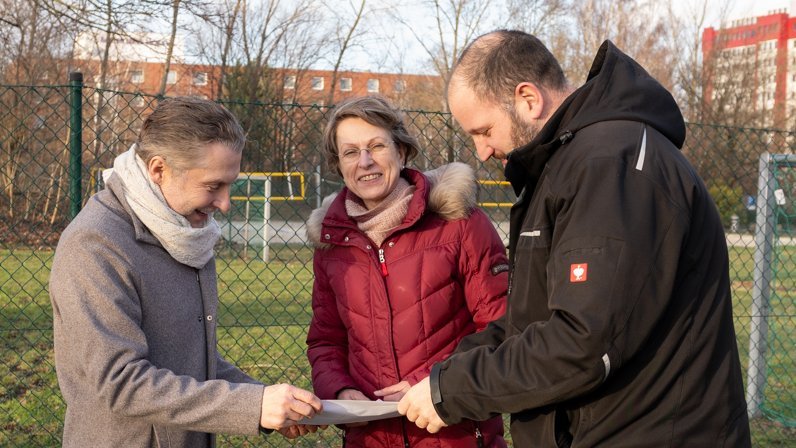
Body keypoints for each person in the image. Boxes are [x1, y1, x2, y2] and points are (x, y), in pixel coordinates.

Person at [398, 30, 751, 447]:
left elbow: (584, 342)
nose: (481, 152)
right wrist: (441, 375)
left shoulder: (610, 165)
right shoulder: (564, 166)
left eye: (484, 130)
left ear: (528, 99)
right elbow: (531, 321)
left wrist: (452, 391)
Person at [50, 97, 323, 447]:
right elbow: (121, 382)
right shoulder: (95, 244)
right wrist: (253, 406)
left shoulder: (186, 234)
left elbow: (189, 361)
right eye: (213, 186)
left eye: (230, 185)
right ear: (158, 169)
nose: (225, 203)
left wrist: (265, 399)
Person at [305, 95, 509, 447]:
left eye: (376, 146)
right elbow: (326, 340)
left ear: (401, 152)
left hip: (452, 431)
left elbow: (502, 324)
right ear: (338, 165)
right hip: (370, 437)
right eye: (351, 152)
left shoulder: (460, 223)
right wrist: (340, 388)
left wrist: (436, 381)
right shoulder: (331, 244)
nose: (365, 161)